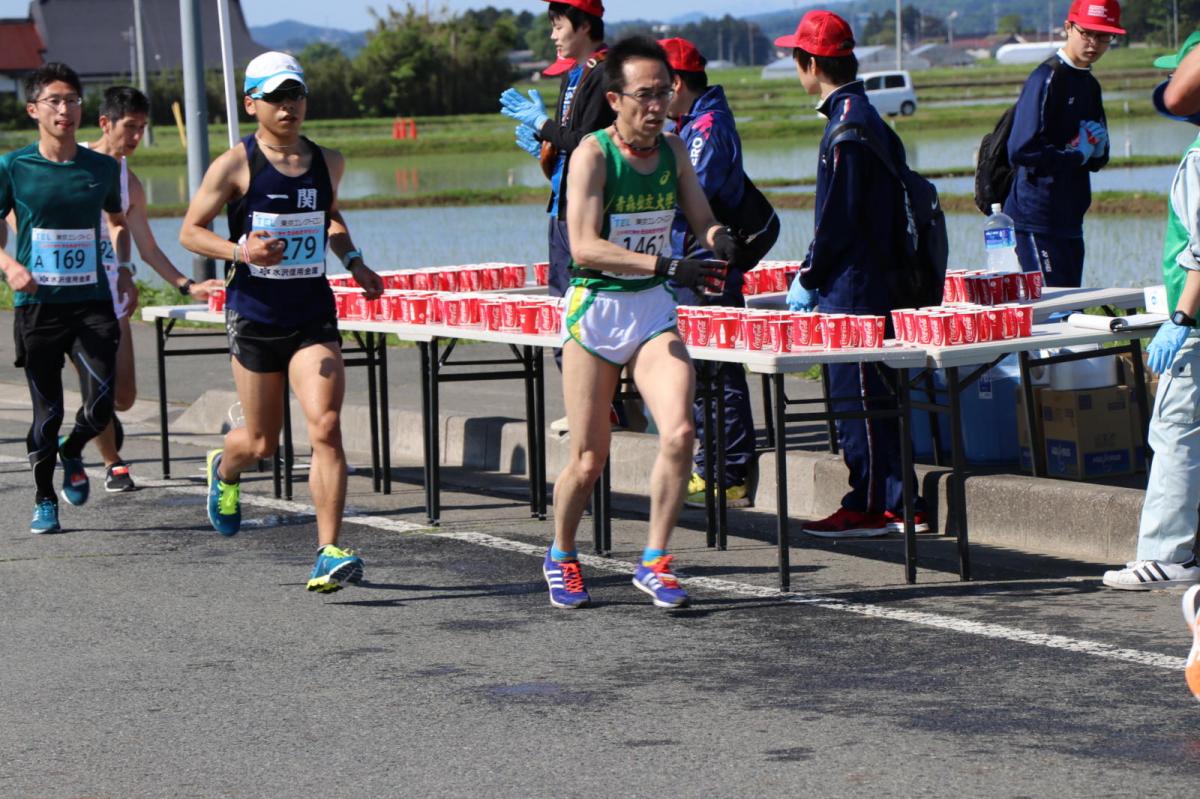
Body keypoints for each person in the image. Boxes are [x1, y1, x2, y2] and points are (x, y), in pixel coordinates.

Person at [543, 36, 744, 609]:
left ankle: (655, 559)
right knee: (588, 461)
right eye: (645, 96)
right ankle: (561, 553)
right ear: (615, 99)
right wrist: (666, 262)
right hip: (596, 312)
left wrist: (719, 240)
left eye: (665, 93)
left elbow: (702, 219)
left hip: (652, 310)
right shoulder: (591, 155)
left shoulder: (676, 151)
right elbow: (583, 247)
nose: (657, 106)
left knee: (680, 431)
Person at [178, 52, 384, 593]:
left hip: (311, 313)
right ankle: (225, 467)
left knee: (326, 427)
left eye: (295, 94)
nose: (288, 105)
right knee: (263, 443)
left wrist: (354, 260)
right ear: (252, 105)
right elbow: (191, 232)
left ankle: (328, 550)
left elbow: (330, 216)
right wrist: (241, 252)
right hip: (255, 316)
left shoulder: (326, 160)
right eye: (275, 97)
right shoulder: (235, 164)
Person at [780, 11, 926, 539]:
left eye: (797, 60)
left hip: (855, 289)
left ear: (811, 63)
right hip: (873, 281)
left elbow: (838, 217)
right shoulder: (863, 115)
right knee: (876, 398)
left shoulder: (847, 127)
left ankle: (871, 504)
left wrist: (810, 275)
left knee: (857, 402)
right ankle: (897, 498)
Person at [0, 62, 132, 533]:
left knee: (101, 403)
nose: (65, 109)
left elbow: (117, 223)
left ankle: (73, 451)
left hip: (92, 300)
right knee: (48, 411)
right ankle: (44, 498)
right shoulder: (14, 166)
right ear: (34, 109)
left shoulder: (102, 167)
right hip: (38, 306)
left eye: (72, 100)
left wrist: (125, 270)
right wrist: (10, 265)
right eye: (54, 101)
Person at [78, 86, 222, 492]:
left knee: (123, 395)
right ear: (105, 123)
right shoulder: (72, 165)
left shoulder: (130, 182)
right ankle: (113, 463)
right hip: (70, 297)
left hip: (114, 296)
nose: (137, 137)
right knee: (100, 387)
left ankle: (98, 419)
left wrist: (187, 285)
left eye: (143, 128)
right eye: (130, 127)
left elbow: (149, 246)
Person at [1102, 36, 1200, 592]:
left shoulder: (1198, 161)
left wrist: (1181, 320)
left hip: (1195, 323)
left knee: (1176, 431)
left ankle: (1168, 553)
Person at [659, 36, 765, 509]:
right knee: (703, 373)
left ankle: (729, 471)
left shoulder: (707, 128)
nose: (656, 99)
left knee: (717, 372)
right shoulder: (691, 122)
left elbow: (691, 199)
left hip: (710, 269)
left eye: (660, 88)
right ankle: (714, 465)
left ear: (677, 82)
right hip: (692, 268)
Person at [1004, 0, 1123, 288]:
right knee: (1053, 309)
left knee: (1071, 306)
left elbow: (1097, 160)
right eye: (1087, 33)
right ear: (1068, 28)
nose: (1094, 43)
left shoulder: (1089, 84)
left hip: (1071, 217)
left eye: (1104, 36)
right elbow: (1020, 149)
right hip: (1036, 218)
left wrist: (1098, 149)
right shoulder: (1047, 78)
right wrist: (1076, 155)